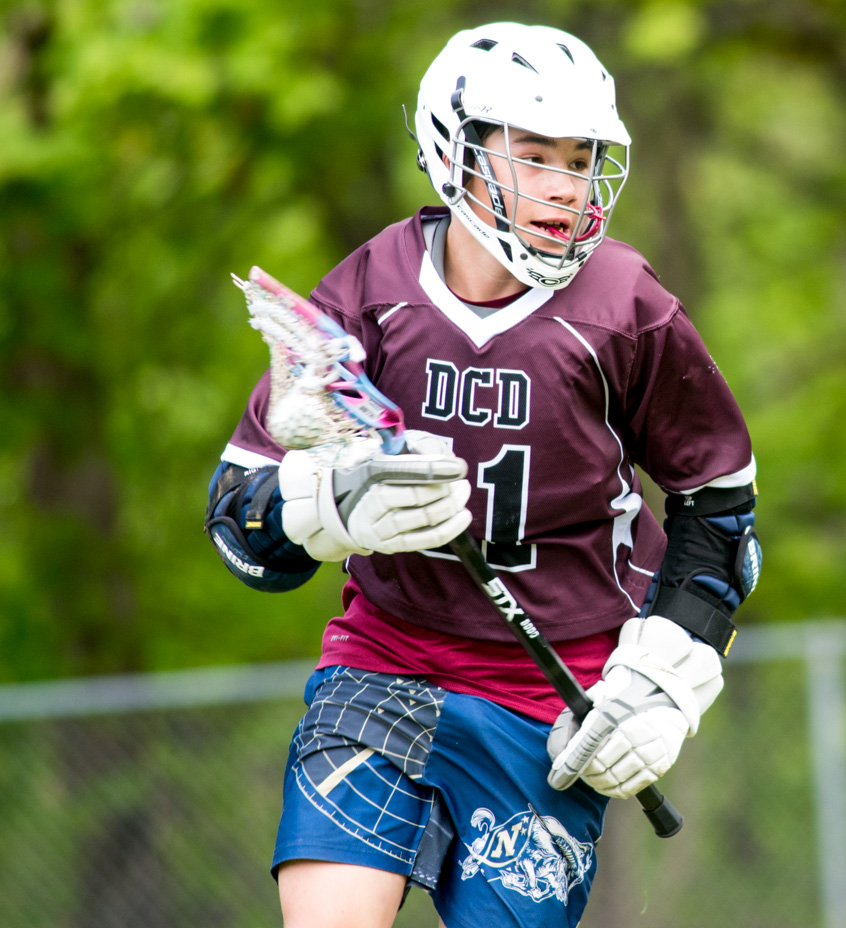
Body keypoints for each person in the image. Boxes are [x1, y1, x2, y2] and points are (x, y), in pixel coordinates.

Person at [203, 23, 759, 928]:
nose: (561, 186)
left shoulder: (627, 307)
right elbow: (240, 525)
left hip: (551, 697)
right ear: (454, 155)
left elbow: (720, 514)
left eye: (580, 160)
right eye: (532, 154)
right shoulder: (372, 289)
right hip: (385, 662)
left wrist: (664, 678)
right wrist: (335, 509)